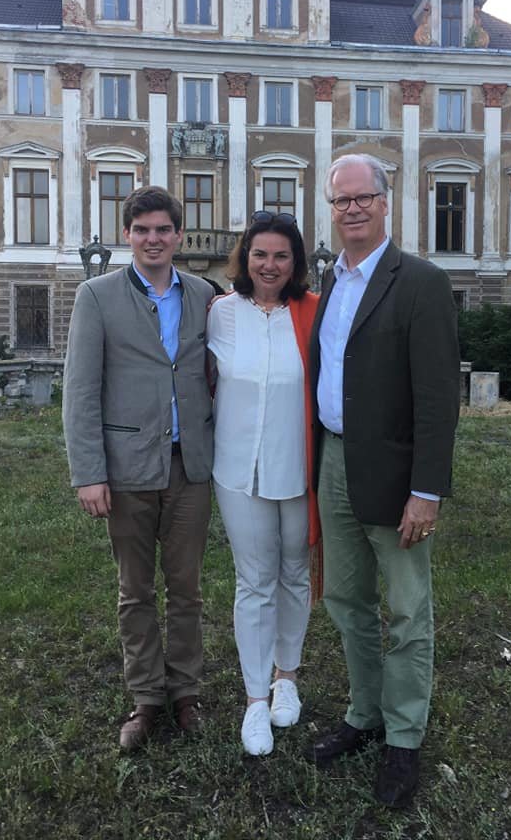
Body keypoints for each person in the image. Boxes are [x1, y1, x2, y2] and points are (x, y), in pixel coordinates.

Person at [306, 154, 460, 808]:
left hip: (396, 475)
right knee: (346, 600)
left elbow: (438, 397)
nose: (352, 209)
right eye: (341, 200)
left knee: (406, 610)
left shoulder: (420, 281)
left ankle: (404, 736)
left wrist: (427, 490)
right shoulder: (331, 279)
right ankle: (364, 714)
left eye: (362, 197)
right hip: (334, 463)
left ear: (385, 201)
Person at [62, 185, 214, 752]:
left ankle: (186, 693)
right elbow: (80, 391)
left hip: (189, 467)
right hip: (126, 469)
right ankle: (146, 697)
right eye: (142, 229)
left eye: (163, 229)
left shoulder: (203, 294)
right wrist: (88, 472)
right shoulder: (97, 296)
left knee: (187, 589)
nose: (154, 239)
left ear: (179, 235)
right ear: (127, 234)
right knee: (135, 591)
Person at [207, 211, 319, 756]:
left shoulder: (314, 312)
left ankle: (286, 676)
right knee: (253, 581)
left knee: (294, 573)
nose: (269, 265)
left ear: (295, 262)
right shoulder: (220, 313)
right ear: (244, 258)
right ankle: (255, 699)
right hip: (237, 469)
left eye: (280, 255)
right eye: (259, 254)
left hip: (298, 465)